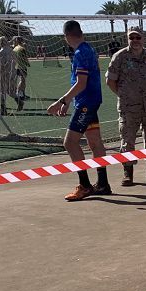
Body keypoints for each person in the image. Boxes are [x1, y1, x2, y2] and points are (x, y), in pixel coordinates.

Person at [46, 20, 113, 201]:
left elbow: (81, 83)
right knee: (94, 141)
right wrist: (69, 102)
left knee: (70, 143)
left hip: (86, 103)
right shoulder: (88, 49)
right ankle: (103, 183)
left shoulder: (80, 53)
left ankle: (84, 185)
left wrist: (62, 101)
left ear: (66, 36)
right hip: (89, 101)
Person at [106, 27, 146, 186]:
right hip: (129, 107)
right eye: (132, 37)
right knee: (128, 138)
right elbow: (110, 81)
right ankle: (127, 172)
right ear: (128, 39)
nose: (135, 40)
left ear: (143, 39)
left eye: (138, 37)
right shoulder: (120, 57)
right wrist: (124, 96)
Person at [12, 36, 30, 110]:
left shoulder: (14, 48)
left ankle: (22, 94)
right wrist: (27, 63)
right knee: (22, 80)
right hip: (22, 66)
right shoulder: (21, 48)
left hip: (16, 66)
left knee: (23, 80)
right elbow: (24, 57)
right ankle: (18, 92)